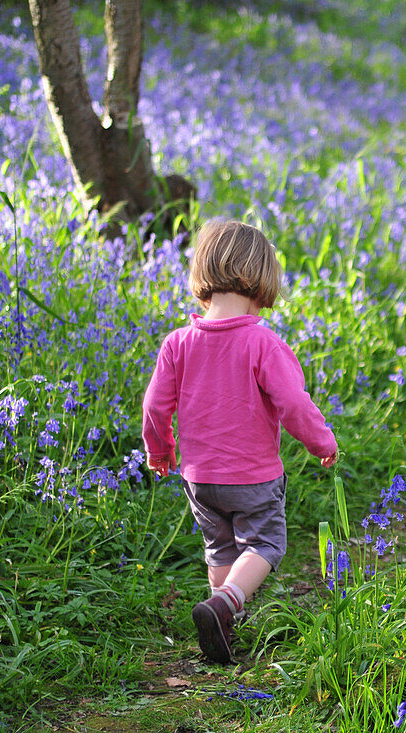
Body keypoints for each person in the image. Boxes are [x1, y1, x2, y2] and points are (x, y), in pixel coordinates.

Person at [142, 219, 338, 664]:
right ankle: (226, 603)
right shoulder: (263, 343)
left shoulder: (177, 344)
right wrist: (322, 443)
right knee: (266, 544)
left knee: (221, 547)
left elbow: (155, 407)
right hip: (252, 477)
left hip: (199, 479)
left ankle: (222, 626)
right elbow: (293, 403)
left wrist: (160, 451)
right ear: (260, 279)